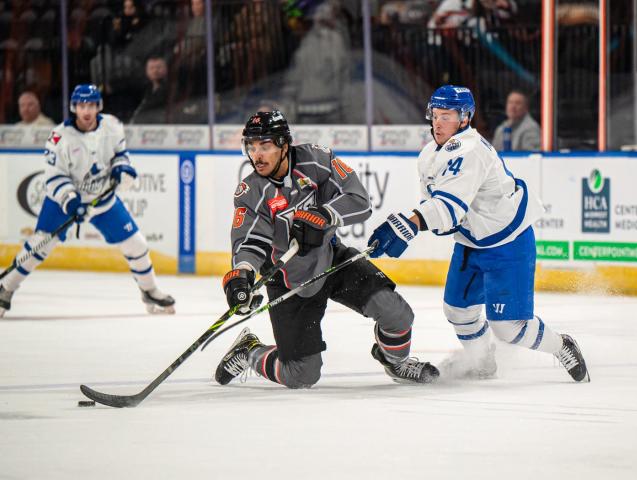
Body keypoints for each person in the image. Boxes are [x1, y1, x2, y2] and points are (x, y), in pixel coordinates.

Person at [367, 85, 589, 382]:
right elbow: (438, 208)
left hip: (507, 242)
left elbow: (449, 206)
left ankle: (562, 345)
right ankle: (483, 362)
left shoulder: (470, 149)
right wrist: (417, 222)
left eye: (447, 115)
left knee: (509, 328)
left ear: (465, 118)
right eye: (435, 114)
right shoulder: (428, 153)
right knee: (457, 310)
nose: (438, 122)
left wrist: (410, 224)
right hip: (472, 242)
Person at [214, 110, 439, 388]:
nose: (256, 155)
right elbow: (249, 241)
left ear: (284, 145)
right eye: (252, 146)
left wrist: (325, 214)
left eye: (265, 146)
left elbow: (360, 200)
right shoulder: (251, 191)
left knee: (397, 313)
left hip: (332, 261)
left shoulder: (316, 160)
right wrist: (242, 273)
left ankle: (396, 364)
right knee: (301, 375)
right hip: (289, 283)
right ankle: (249, 351)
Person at [0, 84, 175, 317]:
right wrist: (71, 201)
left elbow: (121, 155)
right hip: (63, 202)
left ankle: (150, 290)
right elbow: (53, 177)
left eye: (91, 105)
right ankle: (6, 288)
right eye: (82, 105)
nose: (86, 110)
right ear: (74, 107)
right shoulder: (59, 137)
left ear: (97, 106)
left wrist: (122, 169)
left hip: (101, 199)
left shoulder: (112, 126)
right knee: (39, 246)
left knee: (137, 244)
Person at [130, 55, 169, 124]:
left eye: (158, 67)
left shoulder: (172, 89)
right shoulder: (144, 89)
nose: (155, 71)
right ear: (146, 71)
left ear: (166, 69)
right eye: (151, 68)